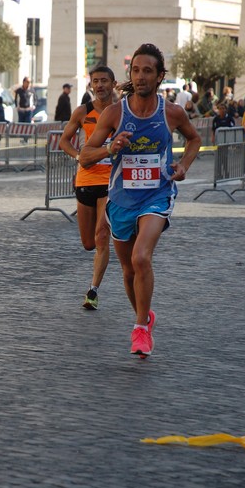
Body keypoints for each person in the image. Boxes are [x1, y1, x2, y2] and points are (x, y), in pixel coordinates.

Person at [79, 43, 201, 358]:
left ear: (160, 76)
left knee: (141, 258)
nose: (141, 76)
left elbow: (195, 138)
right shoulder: (114, 113)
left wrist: (183, 166)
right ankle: (145, 316)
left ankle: (140, 329)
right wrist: (109, 149)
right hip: (121, 199)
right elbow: (85, 157)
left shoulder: (171, 112)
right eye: (136, 70)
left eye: (148, 71)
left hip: (156, 195)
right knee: (129, 271)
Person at [59, 66, 117, 310]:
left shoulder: (121, 111)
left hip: (110, 182)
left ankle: (93, 291)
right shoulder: (83, 111)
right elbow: (64, 140)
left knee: (102, 236)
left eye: (104, 80)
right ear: (91, 85)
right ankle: (98, 260)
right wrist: (77, 156)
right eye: (96, 81)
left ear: (113, 83)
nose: (100, 85)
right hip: (85, 180)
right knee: (88, 243)